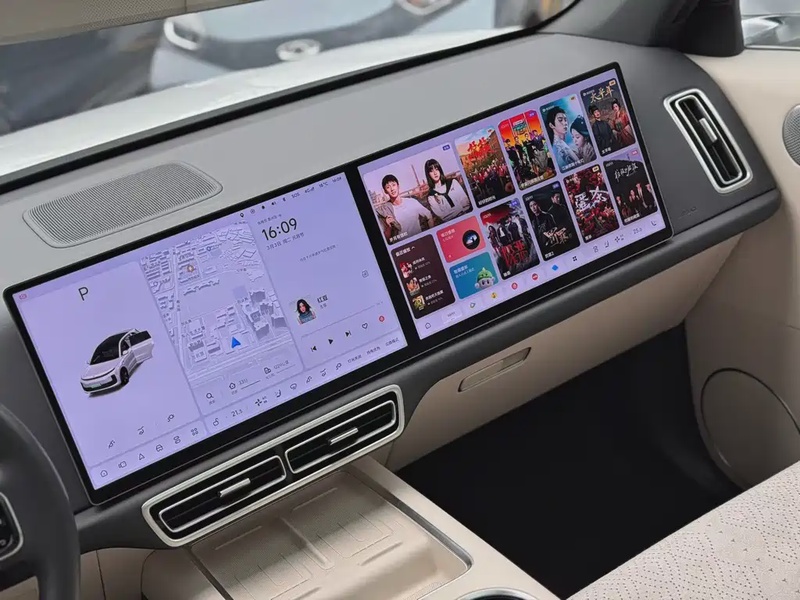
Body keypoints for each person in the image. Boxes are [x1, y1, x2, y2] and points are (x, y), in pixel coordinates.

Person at [380, 174, 434, 239]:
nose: (392, 189)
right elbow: (386, 237)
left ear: (398, 186)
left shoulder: (411, 202)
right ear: (385, 191)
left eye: (393, 185)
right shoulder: (387, 211)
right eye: (388, 187)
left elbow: (429, 215)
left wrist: (430, 234)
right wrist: (389, 227)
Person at [545, 105, 581, 171]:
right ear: (551, 125)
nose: (565, 123)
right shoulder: (561, 148)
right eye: (560, 120)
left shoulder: (560, 144)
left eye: (565, 120)